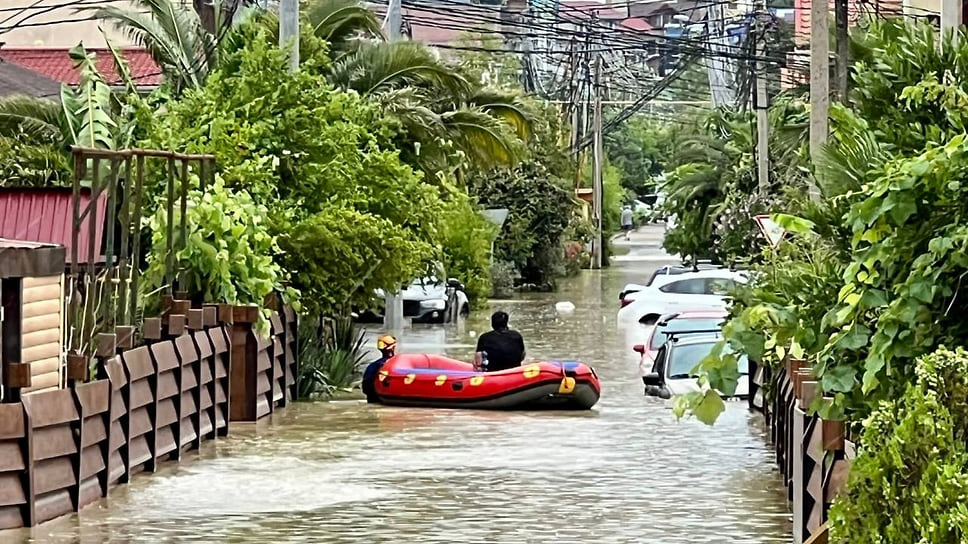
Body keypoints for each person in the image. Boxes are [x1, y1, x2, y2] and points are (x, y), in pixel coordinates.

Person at [361, 335, 397, 403]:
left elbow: (365, 388)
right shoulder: (397, 364)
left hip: (375, 400)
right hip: (384, 400)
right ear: (393, 347)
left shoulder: (373, 366)